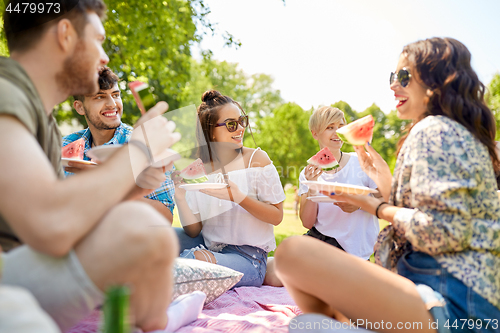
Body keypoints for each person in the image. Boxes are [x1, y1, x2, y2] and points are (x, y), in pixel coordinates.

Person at [0, 1, 205, 332]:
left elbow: (56, 217)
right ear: (65, 35)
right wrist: (137, 150)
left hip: (18, 265)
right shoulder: (5, 93)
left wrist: (135, 185)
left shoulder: (39, 114)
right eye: (97, 39)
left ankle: (155, 322)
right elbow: (49, 224)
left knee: (143, 230)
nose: (105, 56)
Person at [274, 37, 500, 332]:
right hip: (468, 303)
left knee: (292, 254)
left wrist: (376, 207)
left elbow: (443, 230)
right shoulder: (456, 132)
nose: (394, 85)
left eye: (404, 77)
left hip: (451, 304)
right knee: (309, 324)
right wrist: (380, 175)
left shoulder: (434, 130)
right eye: (392, 77)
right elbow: (430, 210)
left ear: (437, 81)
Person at [173, 90, 286, 288]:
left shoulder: (257, 160)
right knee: (161, 238)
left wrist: (238, 197)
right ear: (212, 131)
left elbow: (277, 216)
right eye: (231, 124)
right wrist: (180, 198)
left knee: (192, 259)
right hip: (210, 247)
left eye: (242, 121)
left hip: (249, 260)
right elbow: (193, 231)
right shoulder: (202, 169)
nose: (240, 128)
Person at [63, 66, 175, 222]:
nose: (112, 104)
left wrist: (108, 184)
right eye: (99, 97)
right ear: (80, 107)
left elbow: (165, 218)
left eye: (115, 95)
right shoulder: (66, 145)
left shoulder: (144, 144)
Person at [299, 106, 380, 258]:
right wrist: (312, 186)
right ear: (315, 133)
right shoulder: (308, 173)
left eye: (341, 127)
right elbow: (307, 223)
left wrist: (360, 204)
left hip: (356, 254)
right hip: (321, 245)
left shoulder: (363, 161)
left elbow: (386, 201)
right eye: (330, 127)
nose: (337, 132)